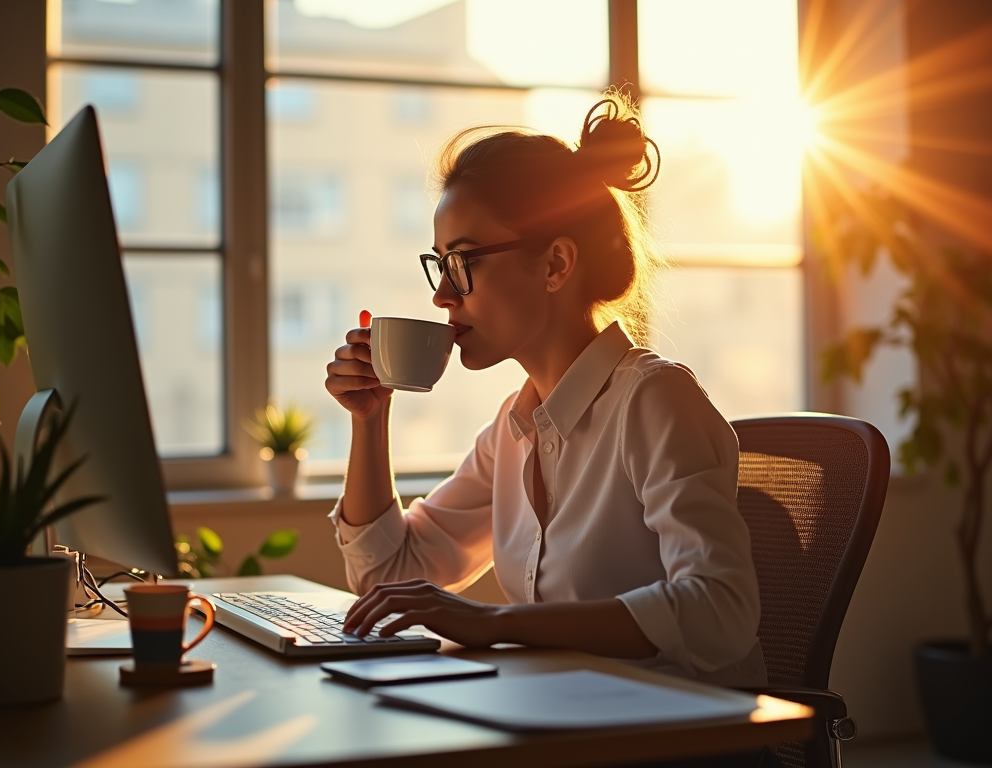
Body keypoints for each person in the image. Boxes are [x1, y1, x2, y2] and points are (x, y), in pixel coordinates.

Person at [324, 92, 767, 693]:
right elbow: (386, 579)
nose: (441, 297)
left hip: (673, 738)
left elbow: (720, 613)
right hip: (556, 721)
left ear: (556, 263)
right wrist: (369, 422)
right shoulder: (517, 427)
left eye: (462, 262)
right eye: (440, 265)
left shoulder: (654, 402)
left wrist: (499, 624)